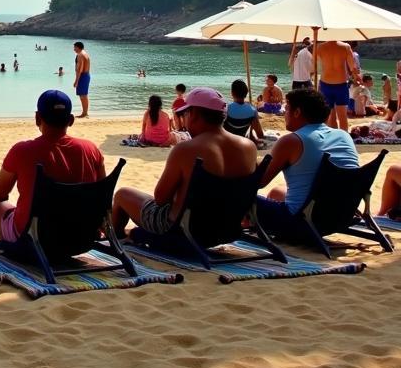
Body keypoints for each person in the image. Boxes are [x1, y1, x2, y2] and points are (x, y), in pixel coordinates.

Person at [0, 90, 105, 248]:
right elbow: (102, 198)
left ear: (37, 118)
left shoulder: (23, 151)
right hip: (81, 239)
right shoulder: (91, 150)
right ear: (71, 120)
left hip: (34, 240)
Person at [113, 88, 257, 238]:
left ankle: (118, 240)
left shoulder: (186, 150)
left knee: (122, 194)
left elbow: (161, 198)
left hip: (185, 229)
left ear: (193, 114)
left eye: (184, 114)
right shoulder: (248, 147)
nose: (184, 118)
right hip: (227, 228)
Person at [254, 87, 359, 235]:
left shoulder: (291, 141)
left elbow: (258, 182)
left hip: (303, 222)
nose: (284, 113)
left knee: (238, 194)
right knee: (277, 192)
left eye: (287, 108)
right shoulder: (343, 136)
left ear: (297, 112)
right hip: (341, 216)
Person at [315, 39, 358, 130]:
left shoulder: (320, 47)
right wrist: (356, 77)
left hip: (325, 84)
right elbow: (352, 67)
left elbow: (313, 64)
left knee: (330, 117)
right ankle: (344, 140)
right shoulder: (346, 47)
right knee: (342, 117)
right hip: (340, 84)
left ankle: (333, 139)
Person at [72, 41, 91, 118]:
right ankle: (85, 112)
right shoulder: (85, 54)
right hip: (86, 75)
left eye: (75, 47)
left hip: (82, 76)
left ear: (78, 47)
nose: (74, 49)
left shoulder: (80, 55)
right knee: (84, 95)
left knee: (83, 95)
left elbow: (80, 69)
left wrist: (76, 81)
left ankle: (84, 113)